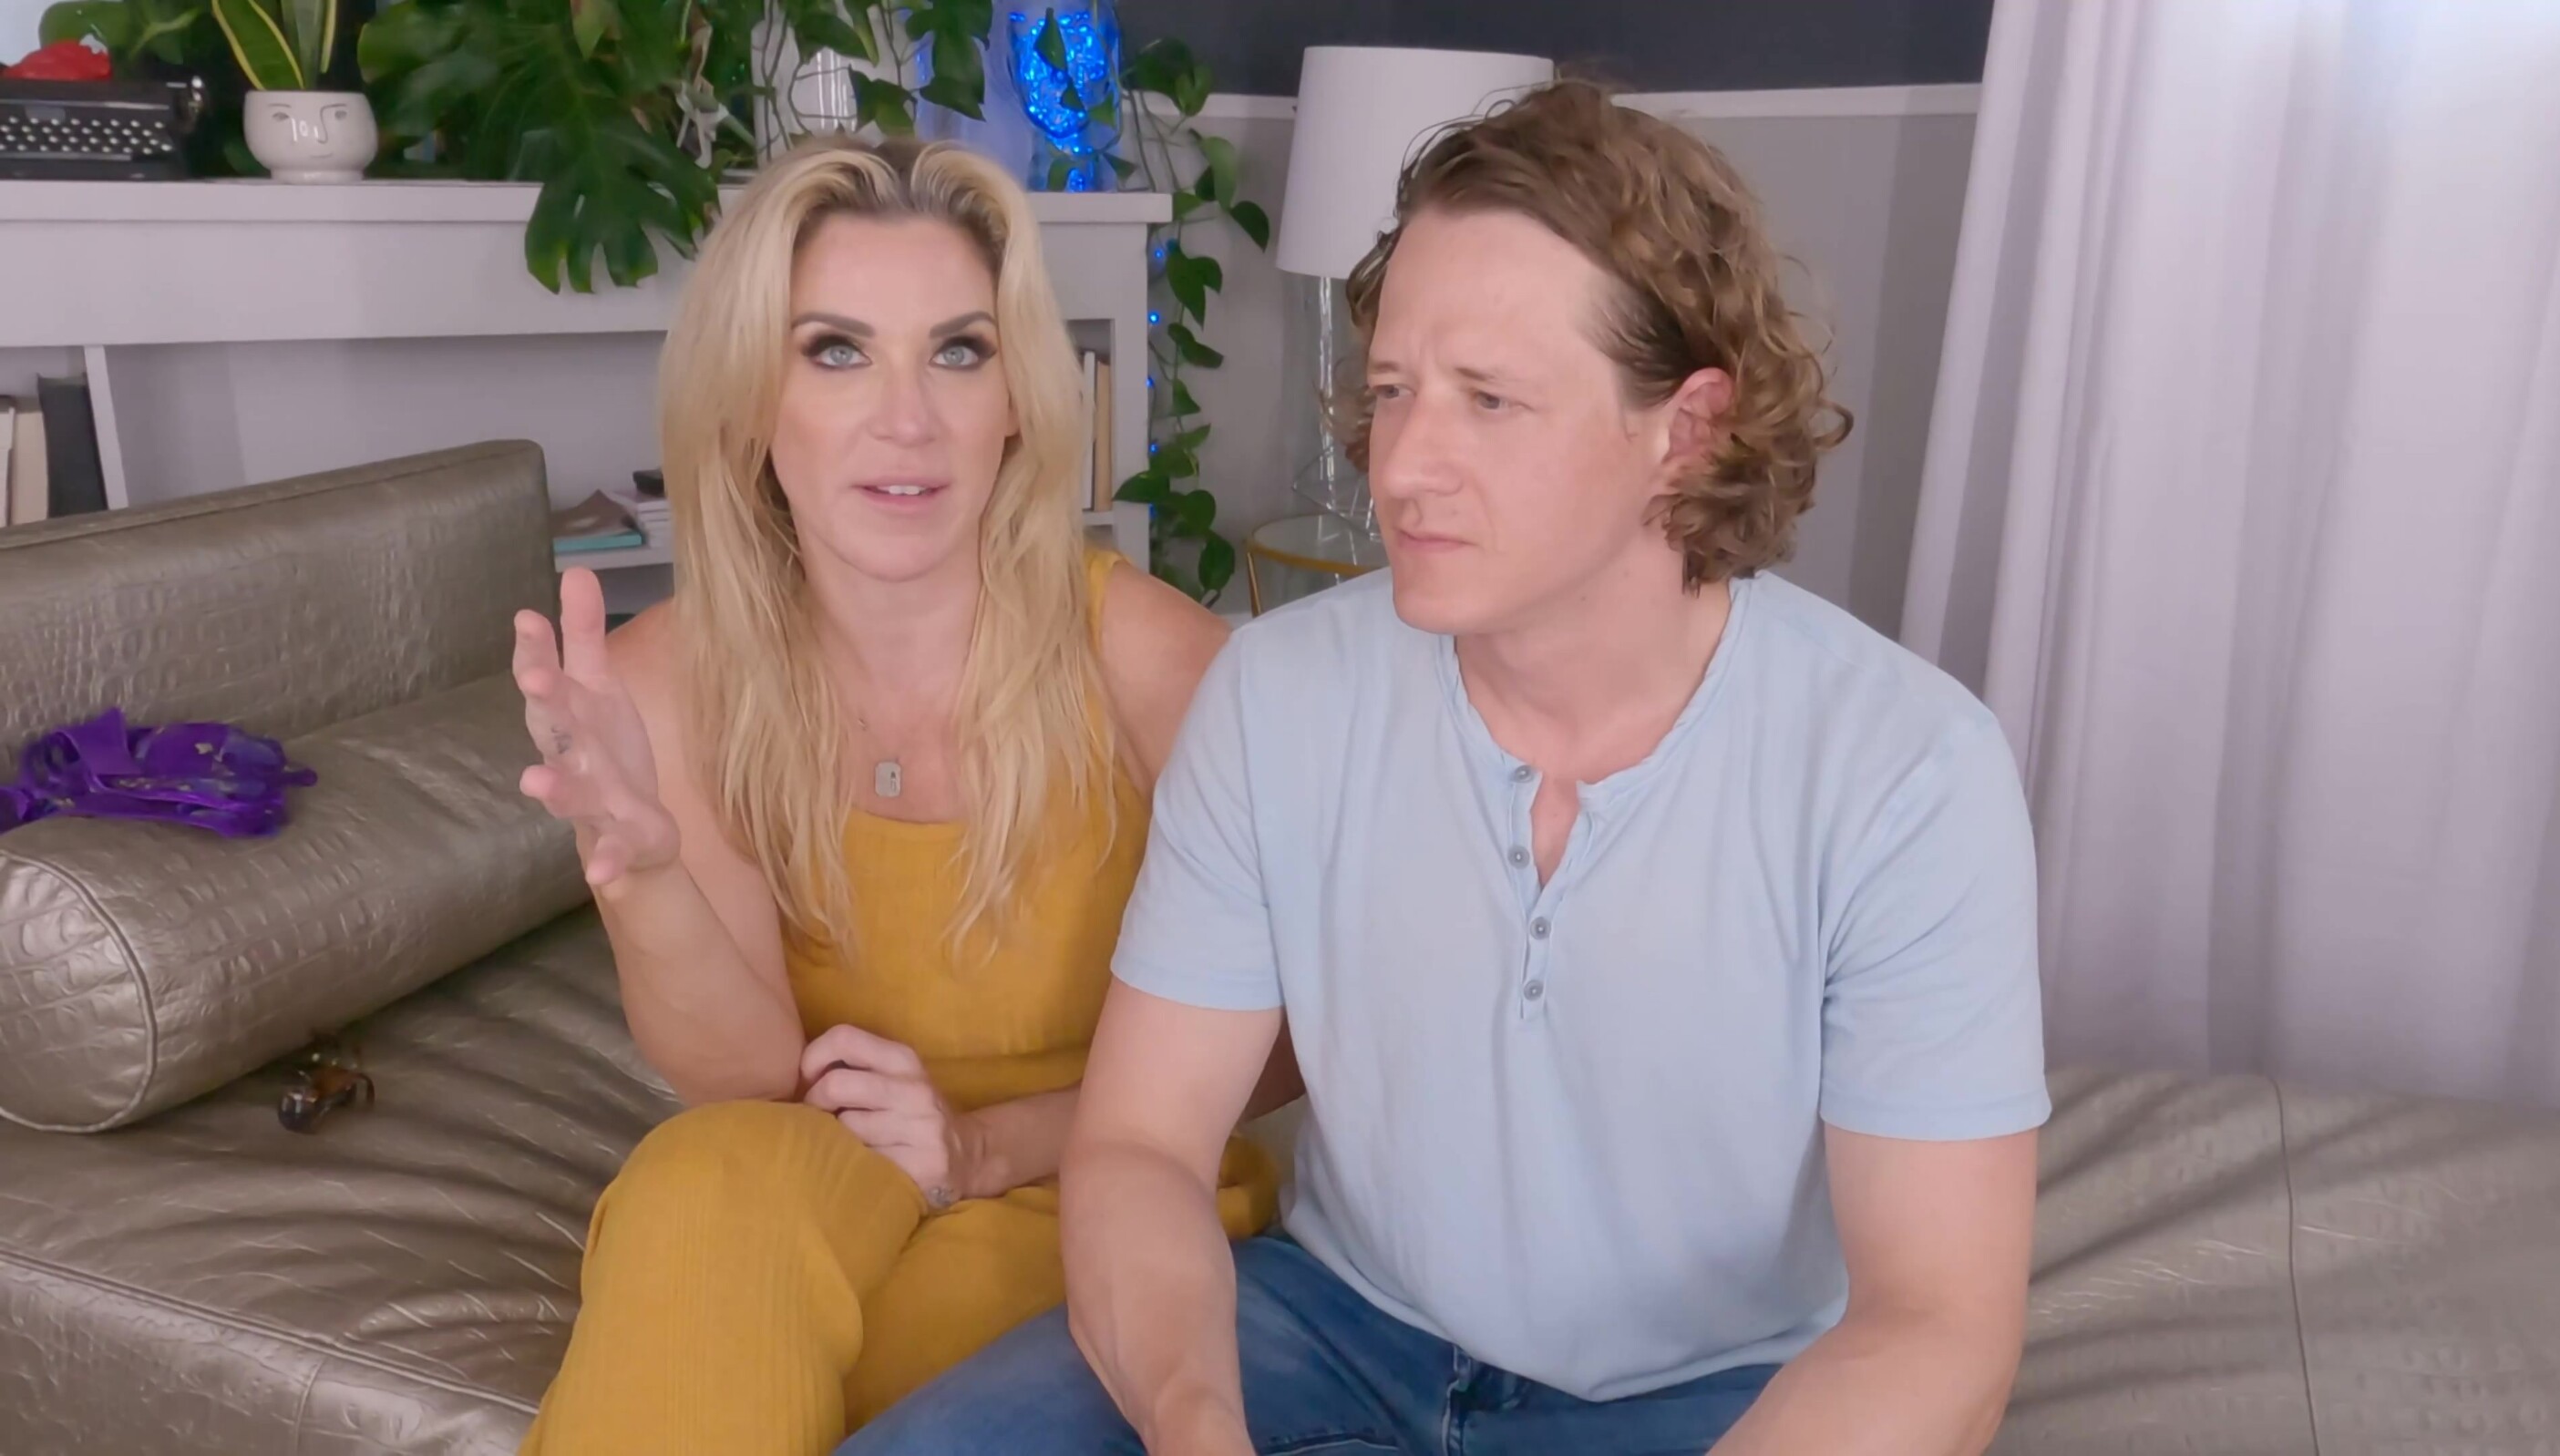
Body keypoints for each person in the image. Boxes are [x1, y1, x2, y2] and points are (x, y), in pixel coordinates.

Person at [847, 80, 2049, 1456]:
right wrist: (1192, 1422)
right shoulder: (1276, 696)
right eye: (1394, 391)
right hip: (1328, 1328)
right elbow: (1140, 1147)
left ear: (1688, 429)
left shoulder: (1907, 772)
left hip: (1719, 1395)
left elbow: (1939, 1328)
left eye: (1489, 399)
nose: (1404, 465)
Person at [507, 135, 1288, 1455]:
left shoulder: (1155, 662)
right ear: (750, 399)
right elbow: (747, 1077)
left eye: (959, 352)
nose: (907, 419)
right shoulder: (664, 680)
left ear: (1018, 399)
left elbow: (1305, 1036)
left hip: (1103, 1176)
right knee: (697, 1180)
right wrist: (643, 873)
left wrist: (981, 1148)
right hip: (819, 1163)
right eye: (836, 351)